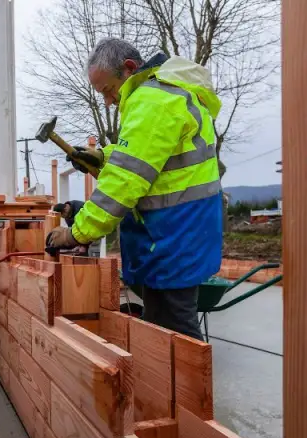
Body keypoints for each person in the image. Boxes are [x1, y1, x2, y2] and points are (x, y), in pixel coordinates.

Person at [45, 38, 223, 341]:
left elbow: (124, 183)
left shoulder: (152, 101)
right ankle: (166, 388)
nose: (108, 101)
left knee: (178, 335)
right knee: (162, 328)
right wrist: (103, 156)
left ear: (128, 68)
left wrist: (77, 232)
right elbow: (149, 159)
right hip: (176, 233)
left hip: (174, 235)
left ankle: (188, 390)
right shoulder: (161, 97)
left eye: (107, 90)